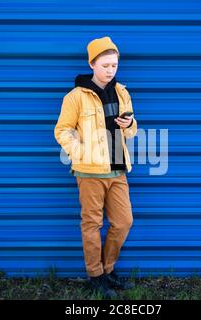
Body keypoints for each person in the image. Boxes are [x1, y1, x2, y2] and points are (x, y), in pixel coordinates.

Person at [54, 36, 138, 299]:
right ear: (92, 64)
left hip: (117, 169)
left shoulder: (122, 91)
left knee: (123, 222)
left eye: (114, 65)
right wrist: (80, 153)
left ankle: (108, 268)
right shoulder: (76, 97)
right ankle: (95, 275)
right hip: (89, 172)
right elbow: (63, 130)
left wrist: (129, 126)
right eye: (105, 65)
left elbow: (132, 131)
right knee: (91, 224)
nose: (111, 70)